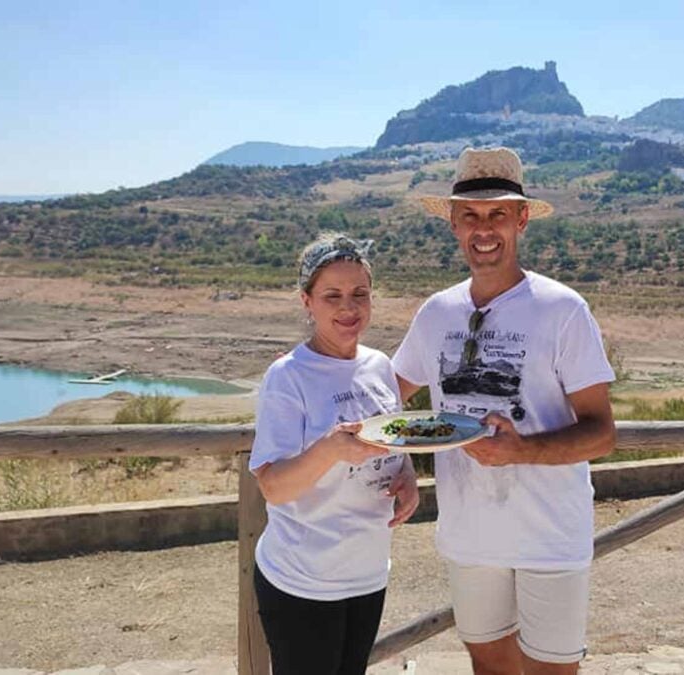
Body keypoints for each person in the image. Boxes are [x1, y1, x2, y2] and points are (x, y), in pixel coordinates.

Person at [392, 147, 617, 674]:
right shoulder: (436, 313)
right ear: (452, 224)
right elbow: (387, 398)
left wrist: (521, 451)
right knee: (489, 669)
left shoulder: (563, 310)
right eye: (470, 215)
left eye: (497, 214)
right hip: (469, 535)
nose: (483, 229)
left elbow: (602, 433)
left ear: (520, 220)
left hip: (550, 536)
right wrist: (399, 460)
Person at [248, 233, 419, 675]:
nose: (349, 308)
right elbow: (272, 485)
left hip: (367, 573)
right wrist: (331, 448)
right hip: (304, 581)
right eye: (333, 296)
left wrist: (408, 478)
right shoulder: (288, 377)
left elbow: (394, 439)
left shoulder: (380, 366)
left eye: (359, 294)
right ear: (307, 301)